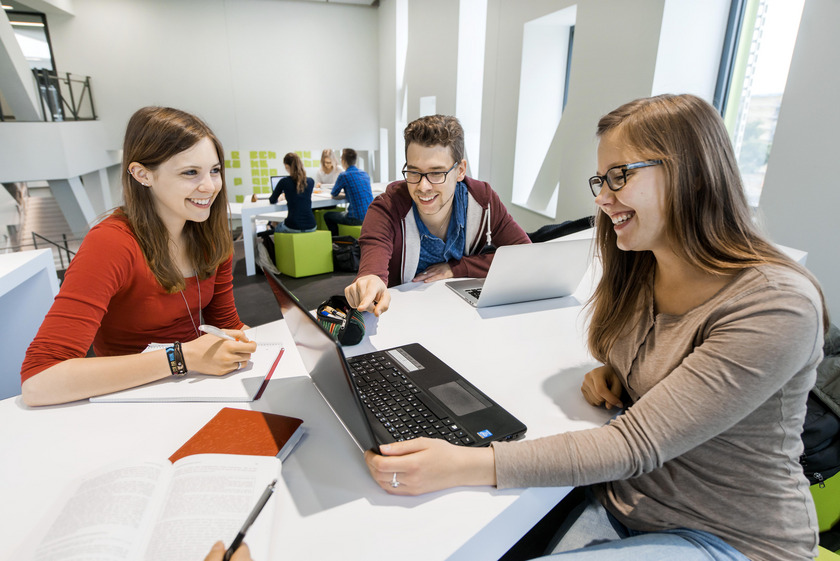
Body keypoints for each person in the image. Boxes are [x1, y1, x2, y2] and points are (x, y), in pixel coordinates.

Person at [363, 95, 828, 561]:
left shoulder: (776, 303)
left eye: (620, 177)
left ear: (689, 172)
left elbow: (633, 444)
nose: (602, 198)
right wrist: (623, 373)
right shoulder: (645, 265)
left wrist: (461, 463)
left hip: (728, 537)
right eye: (601, 180)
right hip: (621, 504)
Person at [21, 107, 257, 407]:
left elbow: (227, 325)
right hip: (130, 400)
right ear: (142, 174)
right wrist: (182, 357)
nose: (210, 186)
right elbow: (39, 381)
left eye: (214, 170)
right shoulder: (110, 244)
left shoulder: (208, 233)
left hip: (196, 388)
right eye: (190, 172)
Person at [344, 114, 530, 316]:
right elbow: (373, 264)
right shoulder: (387, 209)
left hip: (463, 313)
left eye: (436, 173)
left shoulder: (482, 200)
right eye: (414, 172)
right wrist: (370, 280)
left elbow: (525, 256)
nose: (423, 186)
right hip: (405, 317)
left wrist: (457, 268)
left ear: (460, 171)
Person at [323, 148, 373, 236]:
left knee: (327, 216)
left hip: (356, 218)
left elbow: (334, 194)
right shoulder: (364, 173)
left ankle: (336, 242)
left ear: (343, 161)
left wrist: (345, 195)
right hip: (370, 217)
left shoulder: (344, 175)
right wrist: (348, 195)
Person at [268, 152, 317, 233]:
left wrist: (280, 198)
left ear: (287, 166)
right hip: (311, 226)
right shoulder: (311, 181)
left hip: (293, 226)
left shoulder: (284, 182)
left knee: (275, 226)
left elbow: (272, 200)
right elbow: (300, 195)